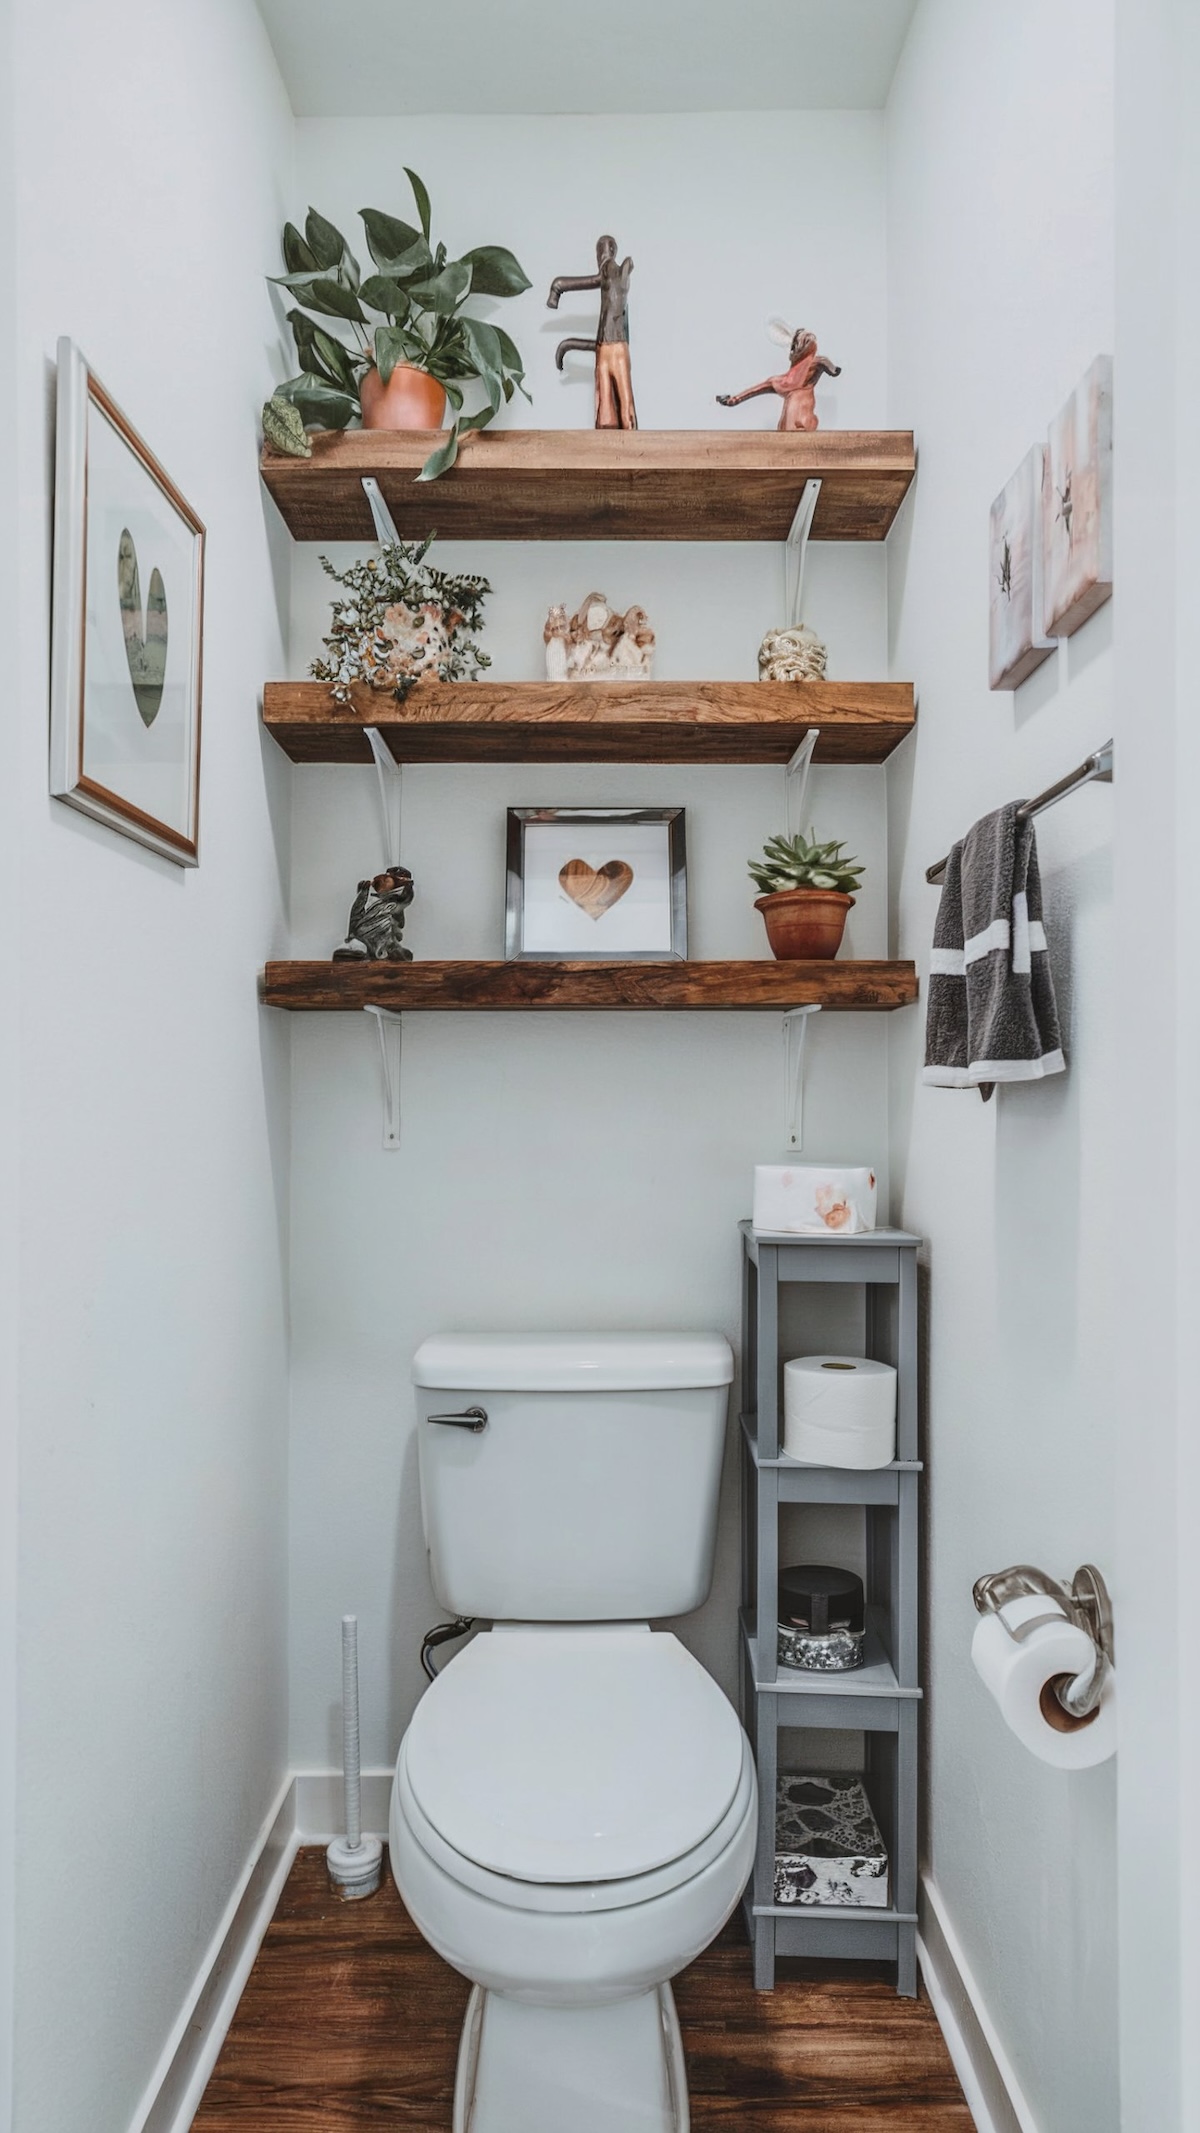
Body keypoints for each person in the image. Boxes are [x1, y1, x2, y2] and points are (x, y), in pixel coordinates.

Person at [547, 236, 637, 430]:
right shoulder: (614, 272)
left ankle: (623, 441)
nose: (601, 256)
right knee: (613, 409)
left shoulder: (609, 270)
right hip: (610, 346)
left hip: (611, 346)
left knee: (613, 407)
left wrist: (557, 289)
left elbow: (569, 283)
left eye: (602, 251)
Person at [716, 328, 841, 433]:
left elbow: (832, 369)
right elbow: (832, 369)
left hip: (796, 428)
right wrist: (734, 399)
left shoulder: (812, 367)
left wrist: (734, 400)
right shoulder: (781, 380)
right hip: (792, 430)